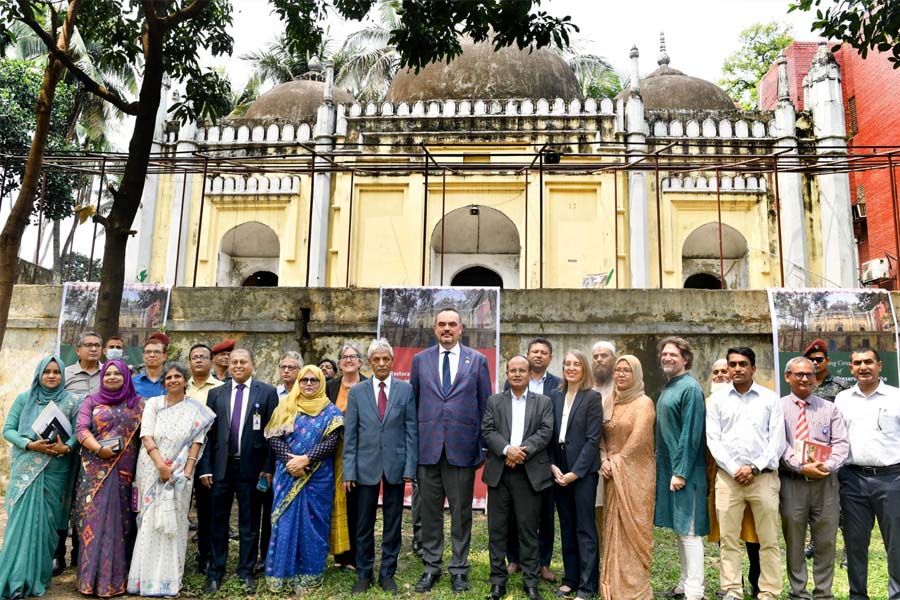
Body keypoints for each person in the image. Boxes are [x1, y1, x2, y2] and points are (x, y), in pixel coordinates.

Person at [410, 307, 492, 593]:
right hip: (428, 449)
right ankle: (432, 566)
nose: (447, 329)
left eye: (452, 325)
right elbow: (413, 406)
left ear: (461, 329)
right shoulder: (420, 361)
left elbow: (485, 406)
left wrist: (482, 447)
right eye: (442, 324)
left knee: (461, 514)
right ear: (434, 328)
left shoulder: (478, 361)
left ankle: (459, 568)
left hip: (463, 450)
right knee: (430, 513)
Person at [127, 362, 215, 598]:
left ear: (185, 380)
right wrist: (160, 466)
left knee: (174, 523)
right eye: (169, 378)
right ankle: (144, 581)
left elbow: (197, 441)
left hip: (180, 474)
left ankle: (169, 581)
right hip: (150, 469)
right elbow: (146, 435)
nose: (173, 380)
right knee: (149, 522)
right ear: (164, 382)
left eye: (178, 377)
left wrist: (186, 471)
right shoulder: (154, 404)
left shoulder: (196, 409)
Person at [198, 348, 278, 594]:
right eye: (234, 362)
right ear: (228, 365)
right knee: (217, 522)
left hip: (251, 469)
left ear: (252, 364)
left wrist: (267, 467)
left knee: (249, 522)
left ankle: (246, 571)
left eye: (243, 362)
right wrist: (206, 468)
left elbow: (272, 434)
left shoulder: (267, 392)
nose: (238, 366)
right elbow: (208, 436)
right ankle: (215, 572)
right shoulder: (215, 393)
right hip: (221, 468)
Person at [0, 356, 81, 600]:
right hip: (26, 469)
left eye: (57, 371)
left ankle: (38, 577)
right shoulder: (25, 399)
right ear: (39, 374)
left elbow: (78, 432)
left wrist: (66, 448)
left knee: (46, 526)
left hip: (56, 470)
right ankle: (15, 579)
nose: (52, 375)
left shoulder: (72, 401)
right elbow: (8, 430)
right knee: (19, 525)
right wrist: (29, 444)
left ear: (63, 376)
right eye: (47, 371)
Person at [707, 347, 784, 600]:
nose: (737, 369)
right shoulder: (717, 400)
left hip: (763, 478)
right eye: (733, 364)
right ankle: (732, 591)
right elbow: (713, 440)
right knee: (729, 540)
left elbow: (777, 441)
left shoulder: (770, 399)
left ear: (753, 368)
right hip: (728, 480)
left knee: (768, 539)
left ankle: (769, 592)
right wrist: (733, 469)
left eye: (743, 364)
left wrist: (753, 468)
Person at [344, 339, 418, 594]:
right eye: (376, 359)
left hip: (396, 466)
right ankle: (364, 574)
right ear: (370, 363)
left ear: (392, 361)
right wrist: (349, 471)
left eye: (386, 359)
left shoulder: (405, 390)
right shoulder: (357, 392)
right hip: (365, 468)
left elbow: (411, 431)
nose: (382, 363)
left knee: (392, 523)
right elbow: (351, 436)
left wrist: (410, 468)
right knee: (363, 523)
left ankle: (387, 574)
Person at [263, 365, 345, 592]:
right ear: (298, 382)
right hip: (288, 473)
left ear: (321, 383)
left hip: (318, 477)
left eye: (314, 380)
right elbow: (274, 437)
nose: (308, 384)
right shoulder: (286, 405)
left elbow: (332, 442)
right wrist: (293, 463)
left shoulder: (331, 412)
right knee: (284, 523)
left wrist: (306, 459)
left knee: (314, 524)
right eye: (304, 380)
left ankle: (309, 575)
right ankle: (281, 574)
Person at [484, 355, 553, 600]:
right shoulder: (494, 401)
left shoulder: (543, 402)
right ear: (506, 372)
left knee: (528, 530)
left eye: (521, 370)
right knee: (497, 530)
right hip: (499, 474)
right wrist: (506, 450)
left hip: (528, 475)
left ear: (528, 372)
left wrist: (520, 452)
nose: (517, 374)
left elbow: (546, 431)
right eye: (512, 370)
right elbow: (487, 430)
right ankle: (498, 582)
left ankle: (531, 582)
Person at [779, 357, 848, 600]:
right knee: (795, 542)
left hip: (826, 484)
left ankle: (823, 594)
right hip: (792, 483)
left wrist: (826, 466)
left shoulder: (829, 409)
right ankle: (799, 593)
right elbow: (779, 444)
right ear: (788, 377)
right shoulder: (777, 409)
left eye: (810, 374)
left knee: (826, 542)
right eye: (799, 374)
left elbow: (841, 444)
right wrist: (800, 467)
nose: (805, 378)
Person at [74, 360, 144, 597]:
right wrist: (98, 449)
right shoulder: (91, 401)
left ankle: (114, 583)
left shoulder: (138, 405)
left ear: (126, 376)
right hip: (94, 472)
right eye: (108, 374)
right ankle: (89, 581)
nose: (112, 377)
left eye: (118, 374)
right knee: (92, 524)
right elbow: (81, 429)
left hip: (124, 474)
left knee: (121, 526)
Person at [834, 347, 900, 600]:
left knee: (896, 545)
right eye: (857, 363)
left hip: (892, 479)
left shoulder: (895, 396)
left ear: (880, 366)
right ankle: (857, 595)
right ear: (851, 368)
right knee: (855, 544)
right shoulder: (842, 399)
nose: (863, 367)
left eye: (869, 362)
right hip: (852, 480)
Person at [654, 337, 708, 600]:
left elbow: (691, 435)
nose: (667, 358)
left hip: (686, 473)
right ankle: (684, 584)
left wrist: (681, 472)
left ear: (685, 359)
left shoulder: (691, 389)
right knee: (680, 530)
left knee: (690, 532)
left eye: (673, 354)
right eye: (664, 354)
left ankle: (695, 593)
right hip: (671, 470)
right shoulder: (670, 386)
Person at [600, 355, 656, 600]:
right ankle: (612, 584)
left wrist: (616, 462)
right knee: (612, 529)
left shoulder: (644, 403)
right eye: (618, 370)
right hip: (612, 473)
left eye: (627, 371)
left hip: (636, 475)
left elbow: (639, 439)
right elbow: (601, 434)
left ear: (636, 375)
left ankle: (635, 589)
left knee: (634, 531)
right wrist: (604, 459)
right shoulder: (609, 401)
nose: (621, 374)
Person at [504, 338, 560, 583]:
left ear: (550, 357)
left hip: (544, 458)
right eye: (534, 352)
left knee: (545, 513)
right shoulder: (511, 382)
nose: (538, 355)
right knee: (513, 512)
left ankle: (543, 562)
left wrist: (527, 450)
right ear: (527, 356)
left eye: (543, 352)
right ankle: (514, 557)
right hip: (513, 459)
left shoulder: (559, 386)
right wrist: (512, 452)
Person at [705, 359, 761, 600]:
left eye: (723, 371)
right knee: (726, 534)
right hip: (717, 476)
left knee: (754, 534)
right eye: (715, 372)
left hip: (749, 476)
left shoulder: (751, 402)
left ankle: (756, 582)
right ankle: (732, 584)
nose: (719, 376)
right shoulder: (707, 403)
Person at [551, 349, 602, 600]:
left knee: (584, 528)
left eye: (576, 364)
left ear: (584, 369)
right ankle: (570, 578)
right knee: (567, 526)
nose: (571, 368)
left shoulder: (592, 397)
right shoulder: (555, 396)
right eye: (567, 364)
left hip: (583, 471)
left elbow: (593, 440)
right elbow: (549, 435)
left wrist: (575, 473)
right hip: (558, 466)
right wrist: (552, 466)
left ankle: (587, 585)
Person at [326, 343, 368, 571]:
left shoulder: (368, 385)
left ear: (360, 362)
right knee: (336, 502)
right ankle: (340, 555)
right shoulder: (330, 387)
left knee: (356, 503)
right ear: (340, 363)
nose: (349, 360)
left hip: (361, 454)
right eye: (344, 357)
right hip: (333, 453)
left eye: (353, 356)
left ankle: (356, 555)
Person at [185, 343, 224, 576]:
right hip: (179, 456)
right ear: (189, 362)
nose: (198, 360)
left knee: (208, 510)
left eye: (203, 357)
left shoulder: (221, 389)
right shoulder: (180, 385)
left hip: (209, 456)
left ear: (211, 361)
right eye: (194, 357)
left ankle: (206, 555)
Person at [590, 340, 616, 545]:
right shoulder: (587, 389)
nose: (599, 360)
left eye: (604, 356)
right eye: (596, 356)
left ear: (614, 359)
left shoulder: (623, 387)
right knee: (597, 511)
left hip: (617, 460)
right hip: (593, 461)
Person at [803, 338, 849, 403]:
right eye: (811, 360)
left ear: (827, 361)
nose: (815, 362)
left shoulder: (841, 385)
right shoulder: (803, 384)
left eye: (819, 359)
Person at [65, 331, 103, 397]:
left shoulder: (109, 372)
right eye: (89, 345)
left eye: (97, 345)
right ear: (78, 350)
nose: (94, 349)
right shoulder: (65, 374)